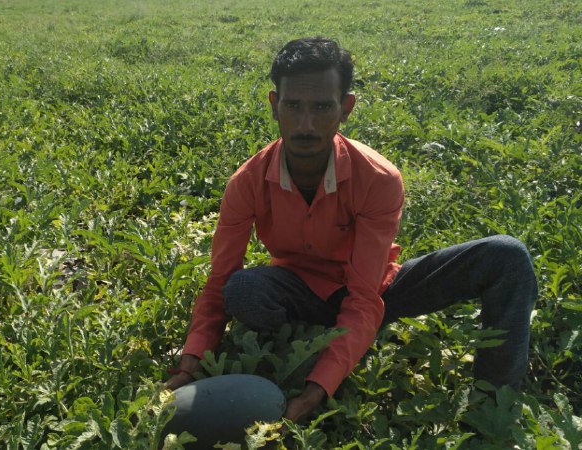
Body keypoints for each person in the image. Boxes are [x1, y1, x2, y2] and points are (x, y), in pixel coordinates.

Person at [166, 37, 537, 424]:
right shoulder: (247, 182)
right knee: (241, 291)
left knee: (505, 256)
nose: (306, 125)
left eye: (322, 107)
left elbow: (362, 296)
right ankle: (314, 340)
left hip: (376, 290)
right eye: (293, 106)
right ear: (275, 106)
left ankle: (495, 406)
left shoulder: (376, 178)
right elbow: (218, 280)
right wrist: (189, 364)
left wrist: (317, 388)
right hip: (299, 290)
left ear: (345, 109)